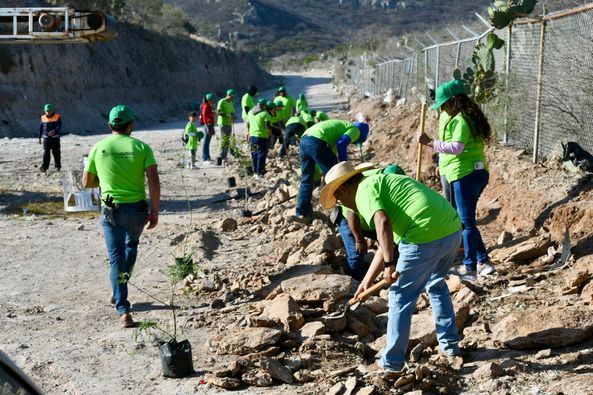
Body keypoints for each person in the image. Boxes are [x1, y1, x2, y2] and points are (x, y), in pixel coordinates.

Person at [319, 161, 462, 372]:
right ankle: (450, 348)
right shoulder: (381, 183)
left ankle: (392, 363)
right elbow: (387, 243)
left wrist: (389, 265)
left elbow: (382, 223)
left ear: (343, 189)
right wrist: (366, 284)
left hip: (423, 235)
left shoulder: (363, 191)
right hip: (451, 229)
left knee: (400, 297)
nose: (344, 204)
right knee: (436, 284)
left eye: (339, 199)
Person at [82, 105, 160, 328]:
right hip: (136, 209)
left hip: (110, 208)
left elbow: (86, 182)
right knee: (131, 247)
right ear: (131, 125)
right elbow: (153, 180)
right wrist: (155, 209)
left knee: (116, 257)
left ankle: (123, 308)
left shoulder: (98, 147)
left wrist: (105, 182)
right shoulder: (141, 147)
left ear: (109, 126)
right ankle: (119, 291)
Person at [418, 79, 495, 281]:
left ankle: (471, 269)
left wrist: (429, 143)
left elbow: (457, 148)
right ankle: (483, 261)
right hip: (467, 172)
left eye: (444, 103)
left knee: (466, 223)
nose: (441, 107)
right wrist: (441, 166)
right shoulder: (465, 116)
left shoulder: (461, 120)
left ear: (454, 100)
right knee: (465, 220)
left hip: (465, 174)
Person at [332, 164, 406, 281]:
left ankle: (392, 274)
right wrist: (360, 240)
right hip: (347, 219)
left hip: (371, 218)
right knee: (356, 254)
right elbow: (352, 215)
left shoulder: (388, 182)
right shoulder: (359, 187)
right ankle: (355, 283)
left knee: (391, 244)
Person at [295, 119, 369, 222]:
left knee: (306, 180)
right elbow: (342, 143)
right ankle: (342, 214)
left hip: (304, 140)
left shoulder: (339, 129)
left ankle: (302, 213)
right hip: (317, 141)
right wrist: (345, 166)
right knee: (339, 180)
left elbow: (326, 159)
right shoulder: (356, 130)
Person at [245, 98, 272, 177]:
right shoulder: (265, 113)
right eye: (265, 106)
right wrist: (270, 134)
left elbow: (248, 124)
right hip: (262, 137)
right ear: (263, 105)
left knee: (254, 153)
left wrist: (247, 132)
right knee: (261, 154)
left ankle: (255, 171)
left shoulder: (250, 112)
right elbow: (268, 126)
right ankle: (260, 172)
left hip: (253, 137)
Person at [38, 103, 62, 172]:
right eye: (46, 111)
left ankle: (57, 166)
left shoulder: (57, 117)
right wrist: (39, 137)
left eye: (49, 111)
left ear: (52, 110)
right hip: (46, 139)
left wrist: (54, 131)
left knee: (56, 153)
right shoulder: (43, 117)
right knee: (46, 153)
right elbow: (41, 128)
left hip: (55, 139)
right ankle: (44, 167)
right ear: (44, 111)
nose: (48, 112)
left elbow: (59, 126)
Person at [216, 89, 236, 162]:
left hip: (229, 123)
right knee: (223, 140)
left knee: (228, 140)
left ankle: (225, 156)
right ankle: (221, 156)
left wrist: (233, 116)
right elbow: (218, 112)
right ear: (228, 95)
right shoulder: (222, 101)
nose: (233, 98)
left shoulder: (231, 103)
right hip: (223, 123)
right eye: (232, 96)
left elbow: (232, 112)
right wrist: (227, 115)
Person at [200, 93, 216, 164]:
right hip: (207, 125)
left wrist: (212, 113)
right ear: (209, 100)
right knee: (206, 142)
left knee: (208, 142)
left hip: (210, 124)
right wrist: (207, 126)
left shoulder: (208, 106)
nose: (213, 101)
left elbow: (208, 114)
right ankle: (205, 158)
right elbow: (204, 116)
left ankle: (208, 157)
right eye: (212, 100)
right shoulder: (206, 106)